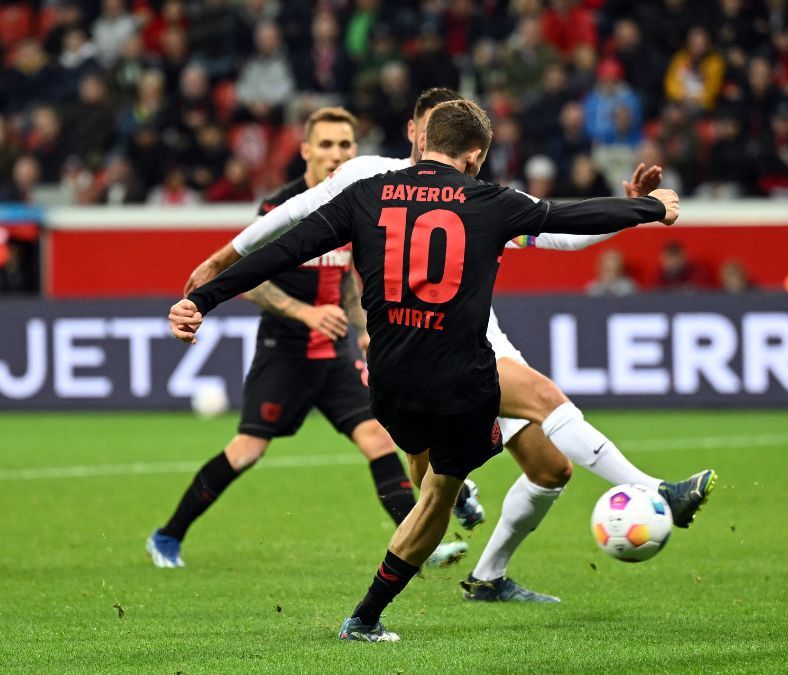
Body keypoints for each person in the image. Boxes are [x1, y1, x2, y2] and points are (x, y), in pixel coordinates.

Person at [168, 98, 680, 642]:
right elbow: (569, 218)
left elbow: (286, 249)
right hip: (462, 384)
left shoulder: (366, 193)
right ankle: (368, 613)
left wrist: (204, 298)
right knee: (443, 485)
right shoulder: (491, 202)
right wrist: (649, 208)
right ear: (474, 155)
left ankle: (450, 503)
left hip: (387, 386)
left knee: (427, 456)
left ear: (422, 139)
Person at [146, 106, 481, 570]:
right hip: (283, 351)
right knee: (247, 451)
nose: (336, 154)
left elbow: (347, 281)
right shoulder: (278, 207)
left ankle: (418, 539)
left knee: (379, 441)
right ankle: (167, 535)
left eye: (345, 145)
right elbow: (254, 279)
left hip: (332, 354)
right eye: (325, 144)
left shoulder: (361, 198)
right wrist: (306, 312)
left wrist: (362, 330)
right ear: (305, 150)